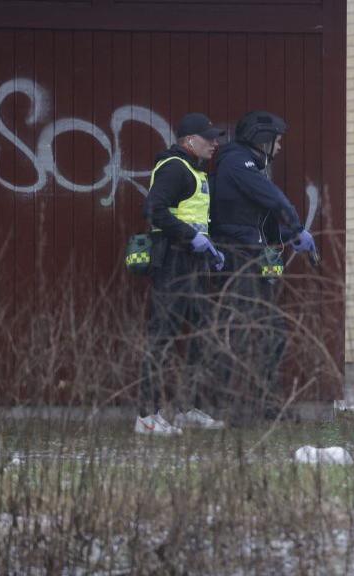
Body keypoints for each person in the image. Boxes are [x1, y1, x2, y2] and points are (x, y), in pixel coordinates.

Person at [209, 110, 315, 422]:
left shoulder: (250, 166)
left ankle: (267, 404)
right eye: (277, 141)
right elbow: (275, 199)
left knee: (271, 331)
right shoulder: (236, 163)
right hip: (237, 256)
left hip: (251, 254)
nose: (280, 147)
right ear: (262, 139)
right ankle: (234, 408)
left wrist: (286, 236)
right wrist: (296, 226)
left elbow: (261, 223)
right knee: (243, 330)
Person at [136, 112, 227, 435]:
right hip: (173, 262)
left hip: (193, 263)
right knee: (162, 337)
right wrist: (192, 237)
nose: (215, 143)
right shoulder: (175, 168)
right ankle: (147, 417)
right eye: (209, 138)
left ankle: (189, 408)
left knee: (202, 335)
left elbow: (193, 218)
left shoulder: (194, 170)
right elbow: (154, 210)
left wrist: (209, 249)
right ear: (190, 141)